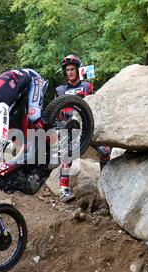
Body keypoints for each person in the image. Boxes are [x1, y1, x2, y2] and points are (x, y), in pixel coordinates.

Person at [55, 54, 111, 202]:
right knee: (67, 157)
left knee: (105, 150)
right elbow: (56, 112)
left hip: (88, 125)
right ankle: (64, 191)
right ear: (65, 71)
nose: (70, 72)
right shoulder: (60, 90)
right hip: (71, 127)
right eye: (67, 69)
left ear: (78, 70)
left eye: (72, 69)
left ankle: (104, 186)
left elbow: (96, 104)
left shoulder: (88, 86)